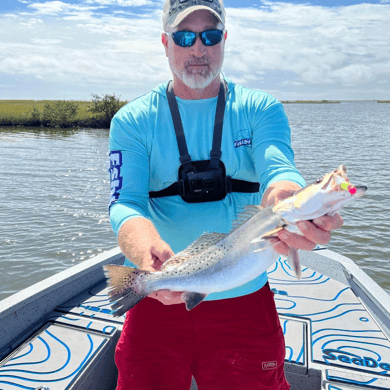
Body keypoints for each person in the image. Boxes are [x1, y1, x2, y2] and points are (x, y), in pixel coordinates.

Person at [108, 0, 343, 389]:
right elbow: (126, 203)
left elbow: (280, 173)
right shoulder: (132, 121)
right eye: (184, 36)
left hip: (244, 301)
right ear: (165, 43)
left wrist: (289, 196)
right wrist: (144, 254)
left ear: (224, 40)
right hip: (159, 297)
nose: (198, 48)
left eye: (210, 35)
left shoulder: (259, 108)